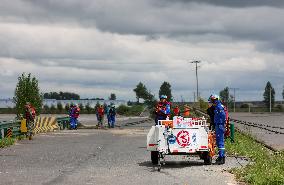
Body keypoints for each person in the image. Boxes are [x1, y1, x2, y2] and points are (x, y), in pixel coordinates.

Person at [208, 94, 226, 164]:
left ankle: (222, 158)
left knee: (220, 142)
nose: (212, 102)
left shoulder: (219, 107)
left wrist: (221, 124)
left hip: (220, 125)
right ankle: (220, 157)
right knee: (218, 142)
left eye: (213, 100)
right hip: (218, 125)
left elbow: (223, 116)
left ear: (216, 100)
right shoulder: (217, 107)